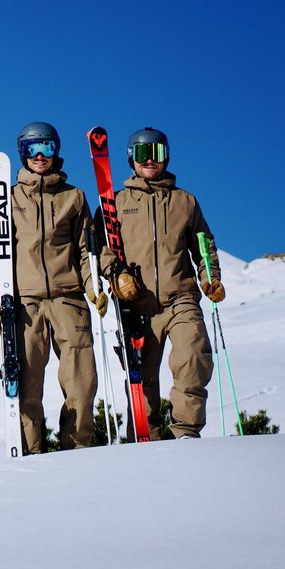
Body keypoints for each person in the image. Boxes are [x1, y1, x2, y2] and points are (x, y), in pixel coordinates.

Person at [0, 123, 103, 452]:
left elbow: (85, 250)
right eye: (32, 149)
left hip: (69, 300)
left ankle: (77, 452)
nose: (39, 156)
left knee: (82, 385)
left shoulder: (73, 197)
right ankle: (31, 457)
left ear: (56, 151)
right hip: (25, 305)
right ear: (22, 153)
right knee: (26, 387)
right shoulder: (7, 198)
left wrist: (93, 286)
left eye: (47, 148)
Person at [97, 127, 222, 439]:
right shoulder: (116, 202)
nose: (150, 160)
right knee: (143, 379)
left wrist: (210, 279)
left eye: (157, 153)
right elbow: (98, 248)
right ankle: (147, 439)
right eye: (143, 153)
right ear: (132, 158)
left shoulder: (185, 202)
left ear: (167, 157)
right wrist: (116, 274)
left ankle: (186, 432)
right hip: (138, 305)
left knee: (193, 358)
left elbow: (204, 246)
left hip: (181, 299)